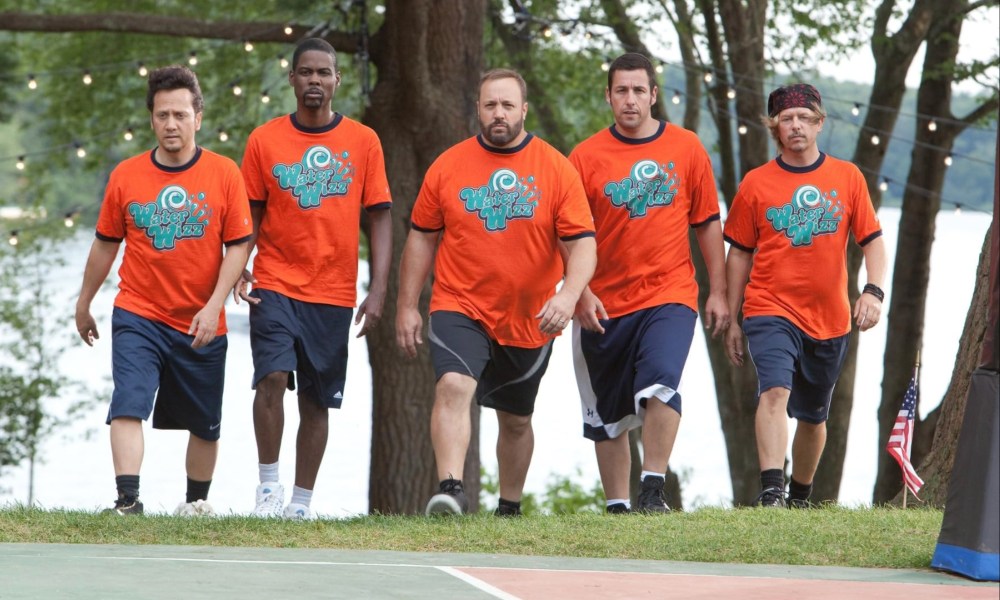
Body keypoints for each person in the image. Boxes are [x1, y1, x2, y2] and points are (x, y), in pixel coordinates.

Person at [396, 68, 597, 517]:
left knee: (517, 418)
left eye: (508, 105)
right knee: (452, 385)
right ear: (478, 109)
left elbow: (583, 241)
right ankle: (451, 488)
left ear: (523, 109)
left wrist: (568, 295)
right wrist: (407, 305)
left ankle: (509, 507)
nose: (499, 113)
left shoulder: (555, 168)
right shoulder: (448, 166)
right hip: (459, 303)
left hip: (529, 315)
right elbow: (422, 236)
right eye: (490, 105)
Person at [74, 65, 252, 516]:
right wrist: (84, 302)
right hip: (139, 312)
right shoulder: (127, 176)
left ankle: (195, 505)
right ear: (151, 120)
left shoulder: (225, 173)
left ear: (198, 117)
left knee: (206, 424)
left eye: (179, 114)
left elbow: (239, 246)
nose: (171, 124)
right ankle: (128, 500)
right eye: (161, 115)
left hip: (200, 318)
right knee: (128, 403)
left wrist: (213, 307)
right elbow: (104, 245)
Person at [235, 37, 392, 520]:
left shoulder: (363, 141)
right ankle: (268, 488)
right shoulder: (265, 140)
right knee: (272, 378)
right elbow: (249, 213)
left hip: (334, 289)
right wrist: (238, 262)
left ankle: (300, 503)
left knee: (317, 402)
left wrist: (379, 288)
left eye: (324, 73)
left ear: (337, 80)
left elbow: (381, 215)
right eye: (306, 73)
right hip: (276, 281)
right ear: (292, 79)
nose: (315, 82)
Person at [568, 53, 729, 514]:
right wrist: (578, 292)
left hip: (670, 294)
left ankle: (653, 489)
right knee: (608, 420)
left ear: (654, 95)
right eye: (622, 91)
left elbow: (707, 224)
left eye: (640, 90)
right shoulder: (585, 157)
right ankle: (618, 509)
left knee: (661, 384)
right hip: (602, 303)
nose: (631, 100)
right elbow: (567, 234)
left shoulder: (686, 148)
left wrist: (717, 291)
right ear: (609, 96)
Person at [724, 83, 887, 508]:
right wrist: (732, 313)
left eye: (803, 118)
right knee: (774, 391)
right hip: (769, 308)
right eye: (786, 119)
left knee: (814, 416)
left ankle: (800, 495)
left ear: (818, 123)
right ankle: (771, 491)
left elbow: (872, 241)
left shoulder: (847, 177)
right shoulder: (756, 184)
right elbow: (739, 254)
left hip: (830, 317)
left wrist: (873, 291)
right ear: (774, 127)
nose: (795, 126)